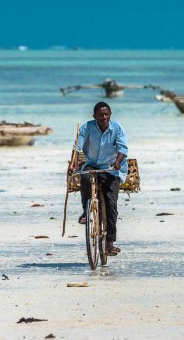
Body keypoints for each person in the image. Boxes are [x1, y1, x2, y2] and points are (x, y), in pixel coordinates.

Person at [68, 101, 128, 256]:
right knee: (85, 178)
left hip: (111, 168)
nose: (104, 117)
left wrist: (117, 162)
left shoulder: (117, 128)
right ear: (94, 116)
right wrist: (73, 164)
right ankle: (85, 212)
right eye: (100, 115)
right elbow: (77, 147)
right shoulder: (87, 127)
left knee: (111, 203)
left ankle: (109, 242)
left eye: (106, 114)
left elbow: (123, 149)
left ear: (110, 115)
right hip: (93, 164)